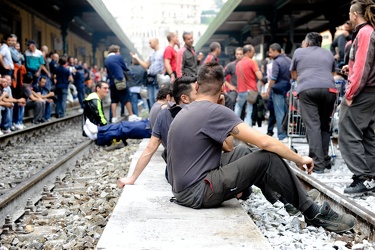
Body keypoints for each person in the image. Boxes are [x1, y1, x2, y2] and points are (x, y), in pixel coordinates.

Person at [165, 61, 355, 233]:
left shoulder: (186, 110)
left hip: (183, 190)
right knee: (266, 157)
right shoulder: (214, 111)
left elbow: (230, 148)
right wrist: (299, 158)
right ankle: (313, 213)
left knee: (243, 151)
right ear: (222, 87)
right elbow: (265, 142)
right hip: (197, 193)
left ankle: (285, 199)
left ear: (197, 86)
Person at [117, 75, 198, 187]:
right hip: (195, 175)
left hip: (172, 173)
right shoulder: (199, 113)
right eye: (197, 93)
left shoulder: (164, 113)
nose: (201, 96)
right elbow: (226, 146)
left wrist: (132, 178)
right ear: (185, 98)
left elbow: (150, 148)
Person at [339, 0, 375, 194]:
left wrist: (351, 93)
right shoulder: (370, 31)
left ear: (354, 15)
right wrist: (349, 68)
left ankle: (361, 178)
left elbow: (362, 68)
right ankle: (372, 176)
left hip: (363, 92)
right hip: (371, 92)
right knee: (369, 135)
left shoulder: (364, 32)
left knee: (347, 132)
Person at [290, 32, 337, 174]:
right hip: (330, 90)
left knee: (313, 126)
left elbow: (293, 74)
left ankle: (318, 164)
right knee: (324, 125)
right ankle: (325, 159)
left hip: (308, 90)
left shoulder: (299, 52)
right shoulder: (328, 53)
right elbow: (332, 73)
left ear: (307, 43)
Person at [105, 44, 141, 123]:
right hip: (120, 81)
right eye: (119, 51)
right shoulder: (118, 57)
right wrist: (130, 74)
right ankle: (131, 115)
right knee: (126, 98)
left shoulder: (106, 60)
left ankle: (113, 118)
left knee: (113, 100)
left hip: (112, 82)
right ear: (116, 51)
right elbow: (124, 67)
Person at [266, 43, 292, 142]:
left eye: (271, 51)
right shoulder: (289, 60)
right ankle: (287, 133)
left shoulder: (276, 61)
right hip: (288, 88)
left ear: (276, 51)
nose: (269, 53)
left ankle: (281, 135)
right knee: (286, 112)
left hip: (278, 89)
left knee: (279, 112)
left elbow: (274, 77)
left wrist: (269, 88)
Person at [131, 38, 164, 109]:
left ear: (156, 42)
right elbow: (145, 65)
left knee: (158, 99)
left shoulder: (162, 52)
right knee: (151, 100)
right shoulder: (152, 54)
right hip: (150, 79)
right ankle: (153, 117)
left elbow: (167, 63)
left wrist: (164, 75)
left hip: (159, 79)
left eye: (150, 43)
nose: (149, 45)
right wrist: (136, 58)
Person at [234, 45, 262, 126]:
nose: (254, 54)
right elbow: (259, 76)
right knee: (249, 111)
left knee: (238, 107)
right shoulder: (252, 62)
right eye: (253, 52)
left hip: (241, 90)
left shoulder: (238, 64)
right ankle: (248, 130)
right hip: (251, 90)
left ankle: (234, 126)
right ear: (249, 52)